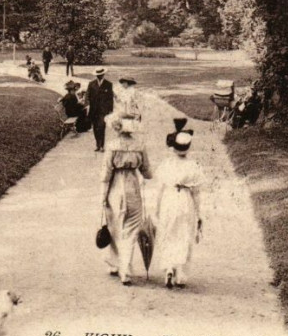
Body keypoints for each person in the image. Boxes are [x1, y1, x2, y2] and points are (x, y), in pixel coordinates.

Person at [100, 118, 153, 286]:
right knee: (131, 229)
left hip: (115, 186)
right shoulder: (140, 145)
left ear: (116, 128)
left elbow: (106, 173)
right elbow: (147, 172)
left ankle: (117, 264)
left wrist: (102, 196)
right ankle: (125, 269)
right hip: (133, 187)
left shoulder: (112, 145)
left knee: (115, 225)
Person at [154, 131, 203, 288]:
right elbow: (196, 193)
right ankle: (180, 273)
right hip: (185, 200)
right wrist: (199, 213)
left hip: (169, 199)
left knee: (168, 233)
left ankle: (169, 268)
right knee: (183, 234)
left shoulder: (166, 164)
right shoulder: (193, 166)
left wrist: (156, 208)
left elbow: (160, 189)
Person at [87, 68, 114, 152]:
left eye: (101, 75)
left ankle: (102, 145)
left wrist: (110, 109)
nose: (99, 76)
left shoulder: (108, 84)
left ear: (103, 75)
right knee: (95, 127)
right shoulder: (91, 84)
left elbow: (110, 98)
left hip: (103, 110)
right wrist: (88, 106)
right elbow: (88, 96)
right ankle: (97, 145)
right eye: (97, 75)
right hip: (93, 110)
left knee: (102, 126)